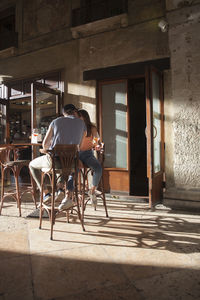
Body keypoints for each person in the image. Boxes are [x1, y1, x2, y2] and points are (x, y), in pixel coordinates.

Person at [29, 104, 86, 210]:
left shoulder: (56, 121)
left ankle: (46, 193)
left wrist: (51, 145)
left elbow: (45, 144)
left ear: (64, 113)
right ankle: (60, 190)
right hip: (72, 163)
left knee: (32, 165)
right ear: (74, 112)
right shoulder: (82, 123)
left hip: (55, 162)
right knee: (65, 168)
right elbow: (80, 146)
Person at [78, 109, 102, 208]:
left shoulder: (92, 128)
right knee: (72, 170)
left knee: (98, 168)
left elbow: (96, 141)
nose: (77, 119)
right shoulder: (75, 127)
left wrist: (96, 145)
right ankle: (73, 194)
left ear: (84, 117)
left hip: (87, 154)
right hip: (75, 154)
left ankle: (92, 191)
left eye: (79, 116)